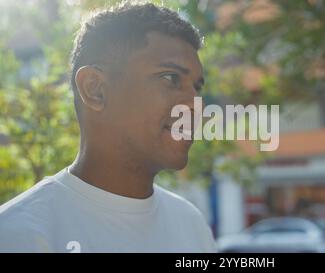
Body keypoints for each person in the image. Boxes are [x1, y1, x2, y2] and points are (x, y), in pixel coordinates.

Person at [0, 2, 216, 253]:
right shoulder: (19, 235)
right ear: (95, 89)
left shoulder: (191, 225)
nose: (196, 105)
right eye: (170, 78)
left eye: (197, 88)